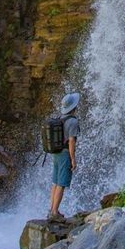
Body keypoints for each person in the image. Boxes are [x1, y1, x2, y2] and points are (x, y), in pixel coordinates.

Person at [48, 92, 80, 220]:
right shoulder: (72, 121)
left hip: (56, 153)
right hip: (65, 154)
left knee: (55, 182)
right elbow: (71, 141)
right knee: (61, 183)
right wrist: (73, 159)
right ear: (74, 107)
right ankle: (55, 212)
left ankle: (52, 209)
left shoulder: (60, 118)